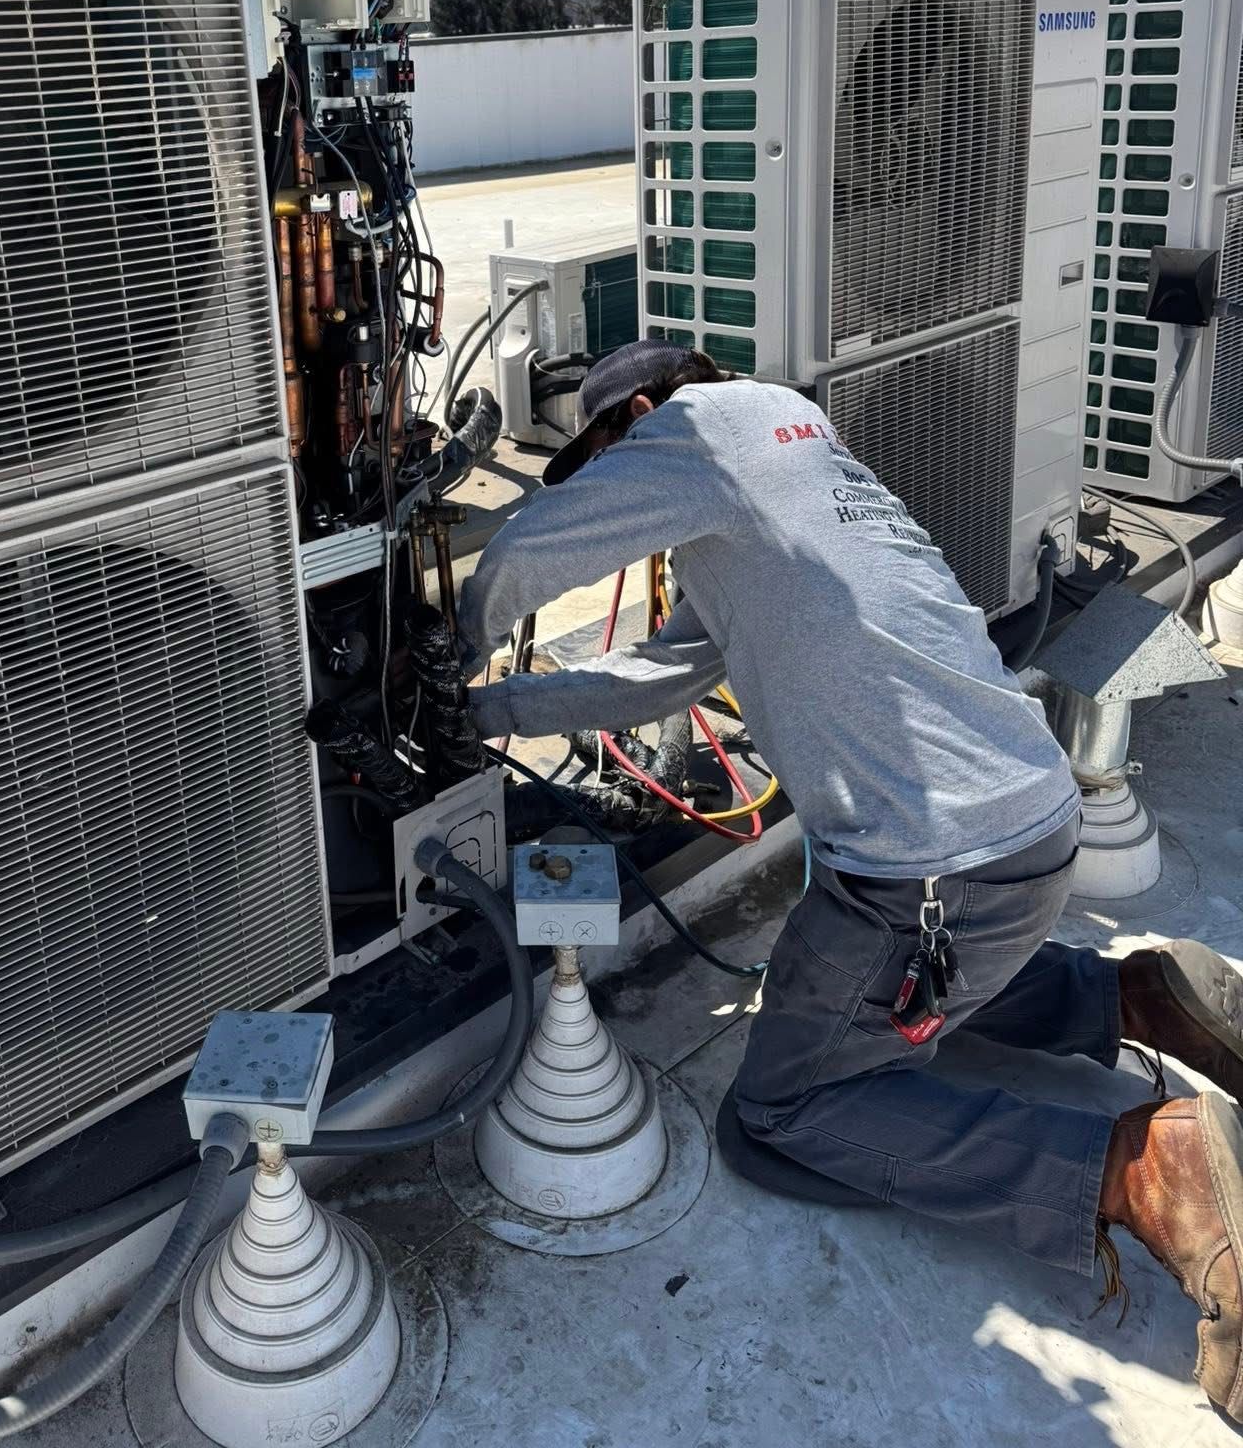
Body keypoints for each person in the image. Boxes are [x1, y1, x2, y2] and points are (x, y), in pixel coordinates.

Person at [458, 338, 1243, 1423]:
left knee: (783, 1106)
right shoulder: (793, 454)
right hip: (1028, 832)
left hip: (932, 875)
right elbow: (667, 668)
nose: (604, 478)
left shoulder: (693, 431)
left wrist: (439, 646)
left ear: (638, 410)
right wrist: (490, 712)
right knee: (880, 997)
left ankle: (1138, 1165)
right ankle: (1129, 993)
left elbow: (539, 545)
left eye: (597, 452)